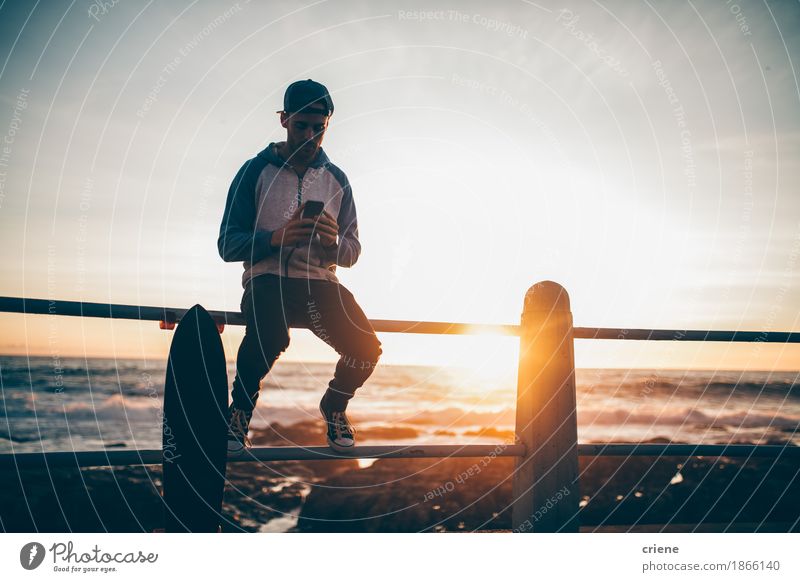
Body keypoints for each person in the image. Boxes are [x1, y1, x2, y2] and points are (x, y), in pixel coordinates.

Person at [217, 79, 382, 455]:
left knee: (366, 348)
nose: (309, 136)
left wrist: (332, 244)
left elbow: (353, 252)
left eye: (318, 128)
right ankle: (240, 411)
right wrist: (274, 239)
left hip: (319, 284)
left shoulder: (337, 180)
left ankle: (334, 406)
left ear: (327, 126)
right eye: (300, 126)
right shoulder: (253, 172)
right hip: (266, 279)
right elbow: (227, 244)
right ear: (283, 120)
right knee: (271, 337)